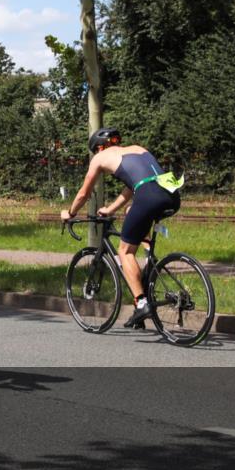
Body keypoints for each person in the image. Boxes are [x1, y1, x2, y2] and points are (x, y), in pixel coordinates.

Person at [60, 127, 182, 328]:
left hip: (148, 195)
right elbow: (133, 187)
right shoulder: (138, 148)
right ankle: (149, 261)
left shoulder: (99, 158)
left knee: (125, 252)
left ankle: (141, 303)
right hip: (171, 193)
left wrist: (70, 213)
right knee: (132, 212)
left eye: (96, 150)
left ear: (99, 147)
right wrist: (110, 209)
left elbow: (84, 193)